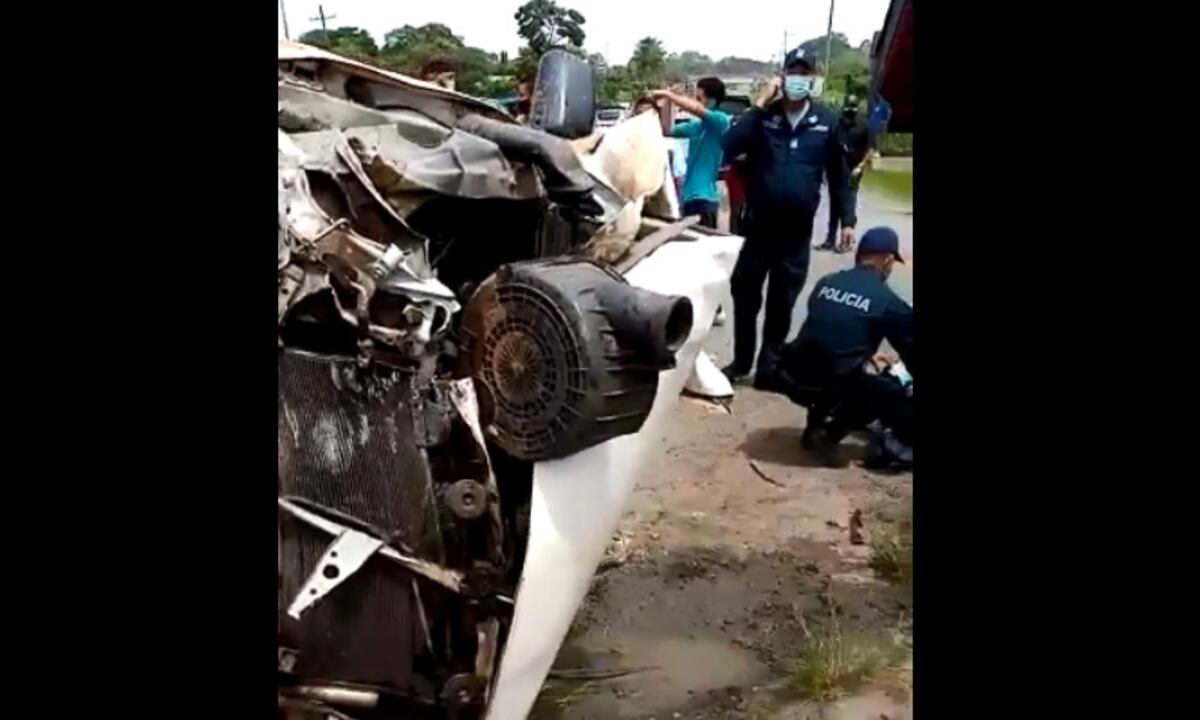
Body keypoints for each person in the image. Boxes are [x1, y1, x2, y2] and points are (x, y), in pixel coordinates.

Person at [719, 47, 856, 382]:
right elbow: (729, 144)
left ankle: (769, 367)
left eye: (804, 73)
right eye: (792, 72)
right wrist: (759, 104)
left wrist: (848, 221)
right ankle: (740, 363)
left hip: (795, 232)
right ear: (782, 77)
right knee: (746, 293)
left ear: (813, 78)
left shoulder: (826, 120)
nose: (798, 78)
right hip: (758, 226)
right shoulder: (763, 117)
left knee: (782, 300)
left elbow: (840, 177)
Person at [769, 227, 912, 464]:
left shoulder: (827, 282)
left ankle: (816, 422)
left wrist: (866, 355)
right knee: (889, 393)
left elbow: (832, 330)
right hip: (833, 381)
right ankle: (833, 431)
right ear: (887, 260)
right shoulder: (886, 300)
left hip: (793, 375)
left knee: (831, 363)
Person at [650, 78, 733, 229]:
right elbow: (667, 130)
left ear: (712, 100)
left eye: (699, 98)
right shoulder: (697, 126)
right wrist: (668, 103)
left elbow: (695, 109)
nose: (696, 102)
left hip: (704, 199)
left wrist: (669, 96)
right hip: (689, 198)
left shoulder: (721, 121)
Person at [817, 95, 872, 252]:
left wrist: (860, 167)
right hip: (835, 168)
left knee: (848, 205)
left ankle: (846, 241)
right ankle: (830, 240)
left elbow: (870, 149)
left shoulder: (863, 125)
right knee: (834, 204)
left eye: (851, 108)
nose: (848, 112)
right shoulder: (838, 123)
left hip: (852, 170)